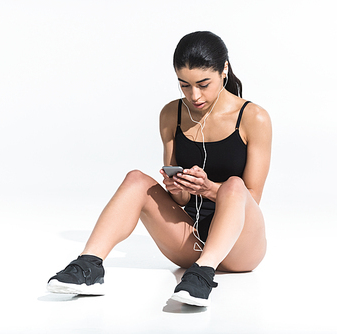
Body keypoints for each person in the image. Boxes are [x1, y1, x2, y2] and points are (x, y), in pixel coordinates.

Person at [47, 31, 272, 307]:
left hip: (240, 248)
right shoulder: (171, 114)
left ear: (224, 68)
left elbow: (252, 197)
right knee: (136, 180)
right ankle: (89, 266)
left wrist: (211, 188)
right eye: (184, 85)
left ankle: (202, 275)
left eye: (203, 84)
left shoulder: (253, 117)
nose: (194, 95)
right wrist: (178, 190)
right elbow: (181, 200)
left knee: (234, 184)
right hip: (190, 241)